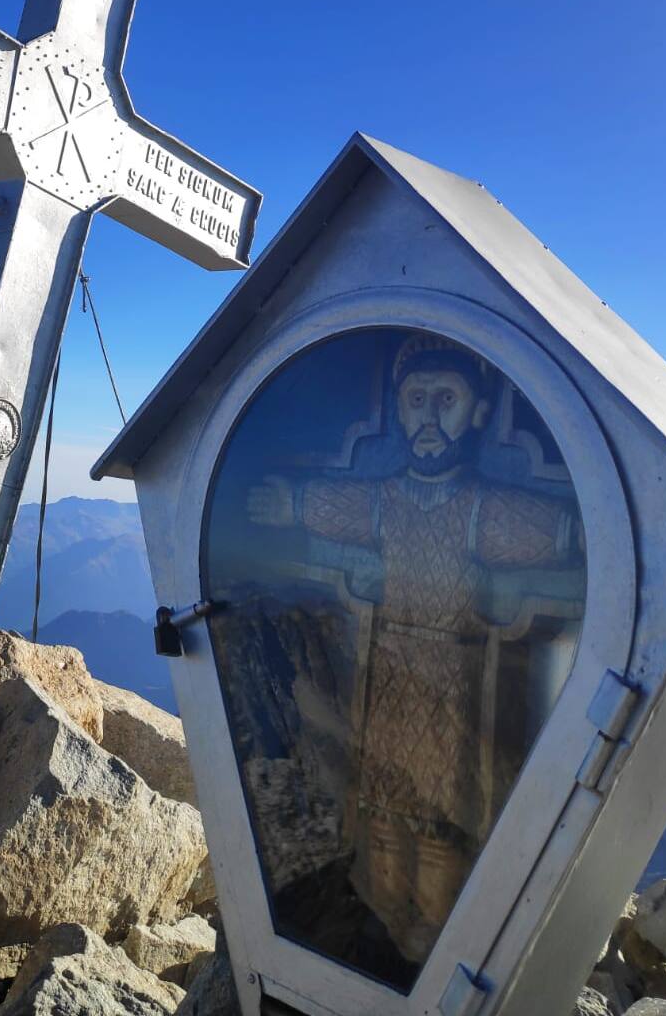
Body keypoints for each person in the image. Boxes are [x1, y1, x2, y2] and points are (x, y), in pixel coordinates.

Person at [247, 332, 581, 964]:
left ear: (477, 413)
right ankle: (380, 922)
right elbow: (346, 506)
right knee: (377, 803)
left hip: (451, 681)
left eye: (446, 400)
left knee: (438, 817)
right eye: (417, 400)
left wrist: (578, 533)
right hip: (388, 676)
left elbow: (558, 530)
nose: (428, 417)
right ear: (398, 411)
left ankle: (430, 938)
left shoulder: (482, 507)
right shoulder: (388, 498)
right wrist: (290, 503)